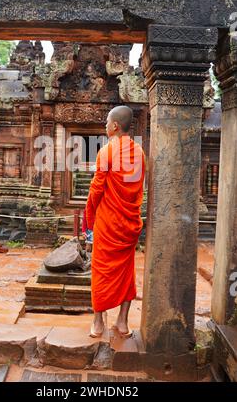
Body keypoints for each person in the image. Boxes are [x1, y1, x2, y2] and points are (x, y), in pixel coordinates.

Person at [86, 106, 145, 338]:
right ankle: (122, 322)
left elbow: (97, 188)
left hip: (108, 223)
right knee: (126, 272)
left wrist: (89, 216)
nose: (104, 125)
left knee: (100, 270)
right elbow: (137, 188)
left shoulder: (107, 152)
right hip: (129, 223)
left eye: (106, 122)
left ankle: (98, 321)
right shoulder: (139, 152)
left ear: (115, 126)